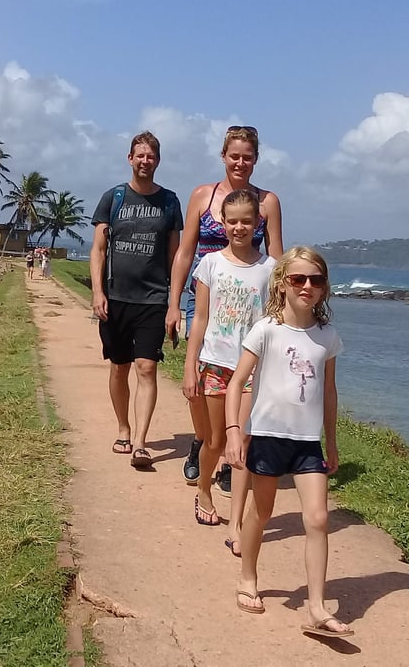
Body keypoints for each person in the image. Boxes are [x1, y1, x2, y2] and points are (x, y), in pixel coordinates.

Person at [223, 247, 352, 638]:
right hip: (268, 438)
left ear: (325, 288)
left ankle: (316, 607)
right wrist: (233, 431)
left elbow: (328, 393)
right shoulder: (266, 330)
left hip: (307, 443)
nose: (307, 287)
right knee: (261, 514)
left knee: (318, 519)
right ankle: (248, 577)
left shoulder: (327, 336)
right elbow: (236, 383)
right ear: (282, 284)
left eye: (316, 280)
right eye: (298, 279)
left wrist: (330, 442)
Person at [168, 126, 284, 499]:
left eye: (247, 156)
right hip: (202, 294)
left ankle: (230, 454)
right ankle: (204, 442)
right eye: (234, 155)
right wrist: (173, 304)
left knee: (244, 382)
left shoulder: (268, 202)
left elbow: (277, 258)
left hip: (250, 302)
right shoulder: (203, 195)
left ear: (255, 159)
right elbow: (186, 252)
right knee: (200, 388)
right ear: (223, 156)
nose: (240, 162)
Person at [182, 189, 275, 528]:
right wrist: (190, 367)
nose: (239, 228)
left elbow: (274, 321)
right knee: (215, 440)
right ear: (222, 222)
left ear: (257, 223)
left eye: (246, 222)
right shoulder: (209, 264)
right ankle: (204, 489)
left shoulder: (271, 269)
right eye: (232, 221)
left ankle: (237, 520)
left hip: (251, 369)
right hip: (214, 364)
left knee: (245, 441)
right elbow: (201, 319)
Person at [90, 131, 183, 468]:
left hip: (153, 299)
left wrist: (175, 304)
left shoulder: (170, 202)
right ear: (130, 158)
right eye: (140, 155)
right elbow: (98, 250)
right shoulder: (112, 198)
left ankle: (141, 442)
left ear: (158, 161)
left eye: (151, 156)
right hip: (115, 299)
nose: (145, 161)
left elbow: (175, 257)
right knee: (120, 368)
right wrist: (98, 292)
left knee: (146, 367)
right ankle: (123, 428)